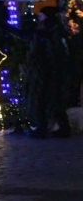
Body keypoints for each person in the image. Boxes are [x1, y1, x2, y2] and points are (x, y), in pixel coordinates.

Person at [24, 8, 71, 139]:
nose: (39, 18)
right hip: (53, 71)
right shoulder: (56, 31)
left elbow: (47, 52)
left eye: (41, 15)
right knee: (53, 100)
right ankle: (59, 127)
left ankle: (42, 127)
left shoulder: (47, 33)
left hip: (46, 71)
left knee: (42, 99)